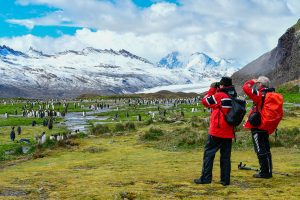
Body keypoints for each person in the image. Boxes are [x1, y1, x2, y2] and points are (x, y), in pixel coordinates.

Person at [194, 77, 237, 186]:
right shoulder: (233, 96)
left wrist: (212, 89)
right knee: (226, 157)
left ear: (222, 86)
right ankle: (225, 180)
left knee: (209, 154)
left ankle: (206, 178)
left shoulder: (219, 96)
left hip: (217, 131)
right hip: (228, 131)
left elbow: (205, 101)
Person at [243, 76, 277, 179]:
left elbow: (245, 88)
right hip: (265, 125)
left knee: (259, 149)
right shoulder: (270, 94)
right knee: (266, 148)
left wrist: (251, 81)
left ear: (261, 84)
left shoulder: (260, 94)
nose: (256, 85)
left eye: (257, 83)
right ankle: (268, 171)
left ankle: (264, 172)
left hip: (258, 126)